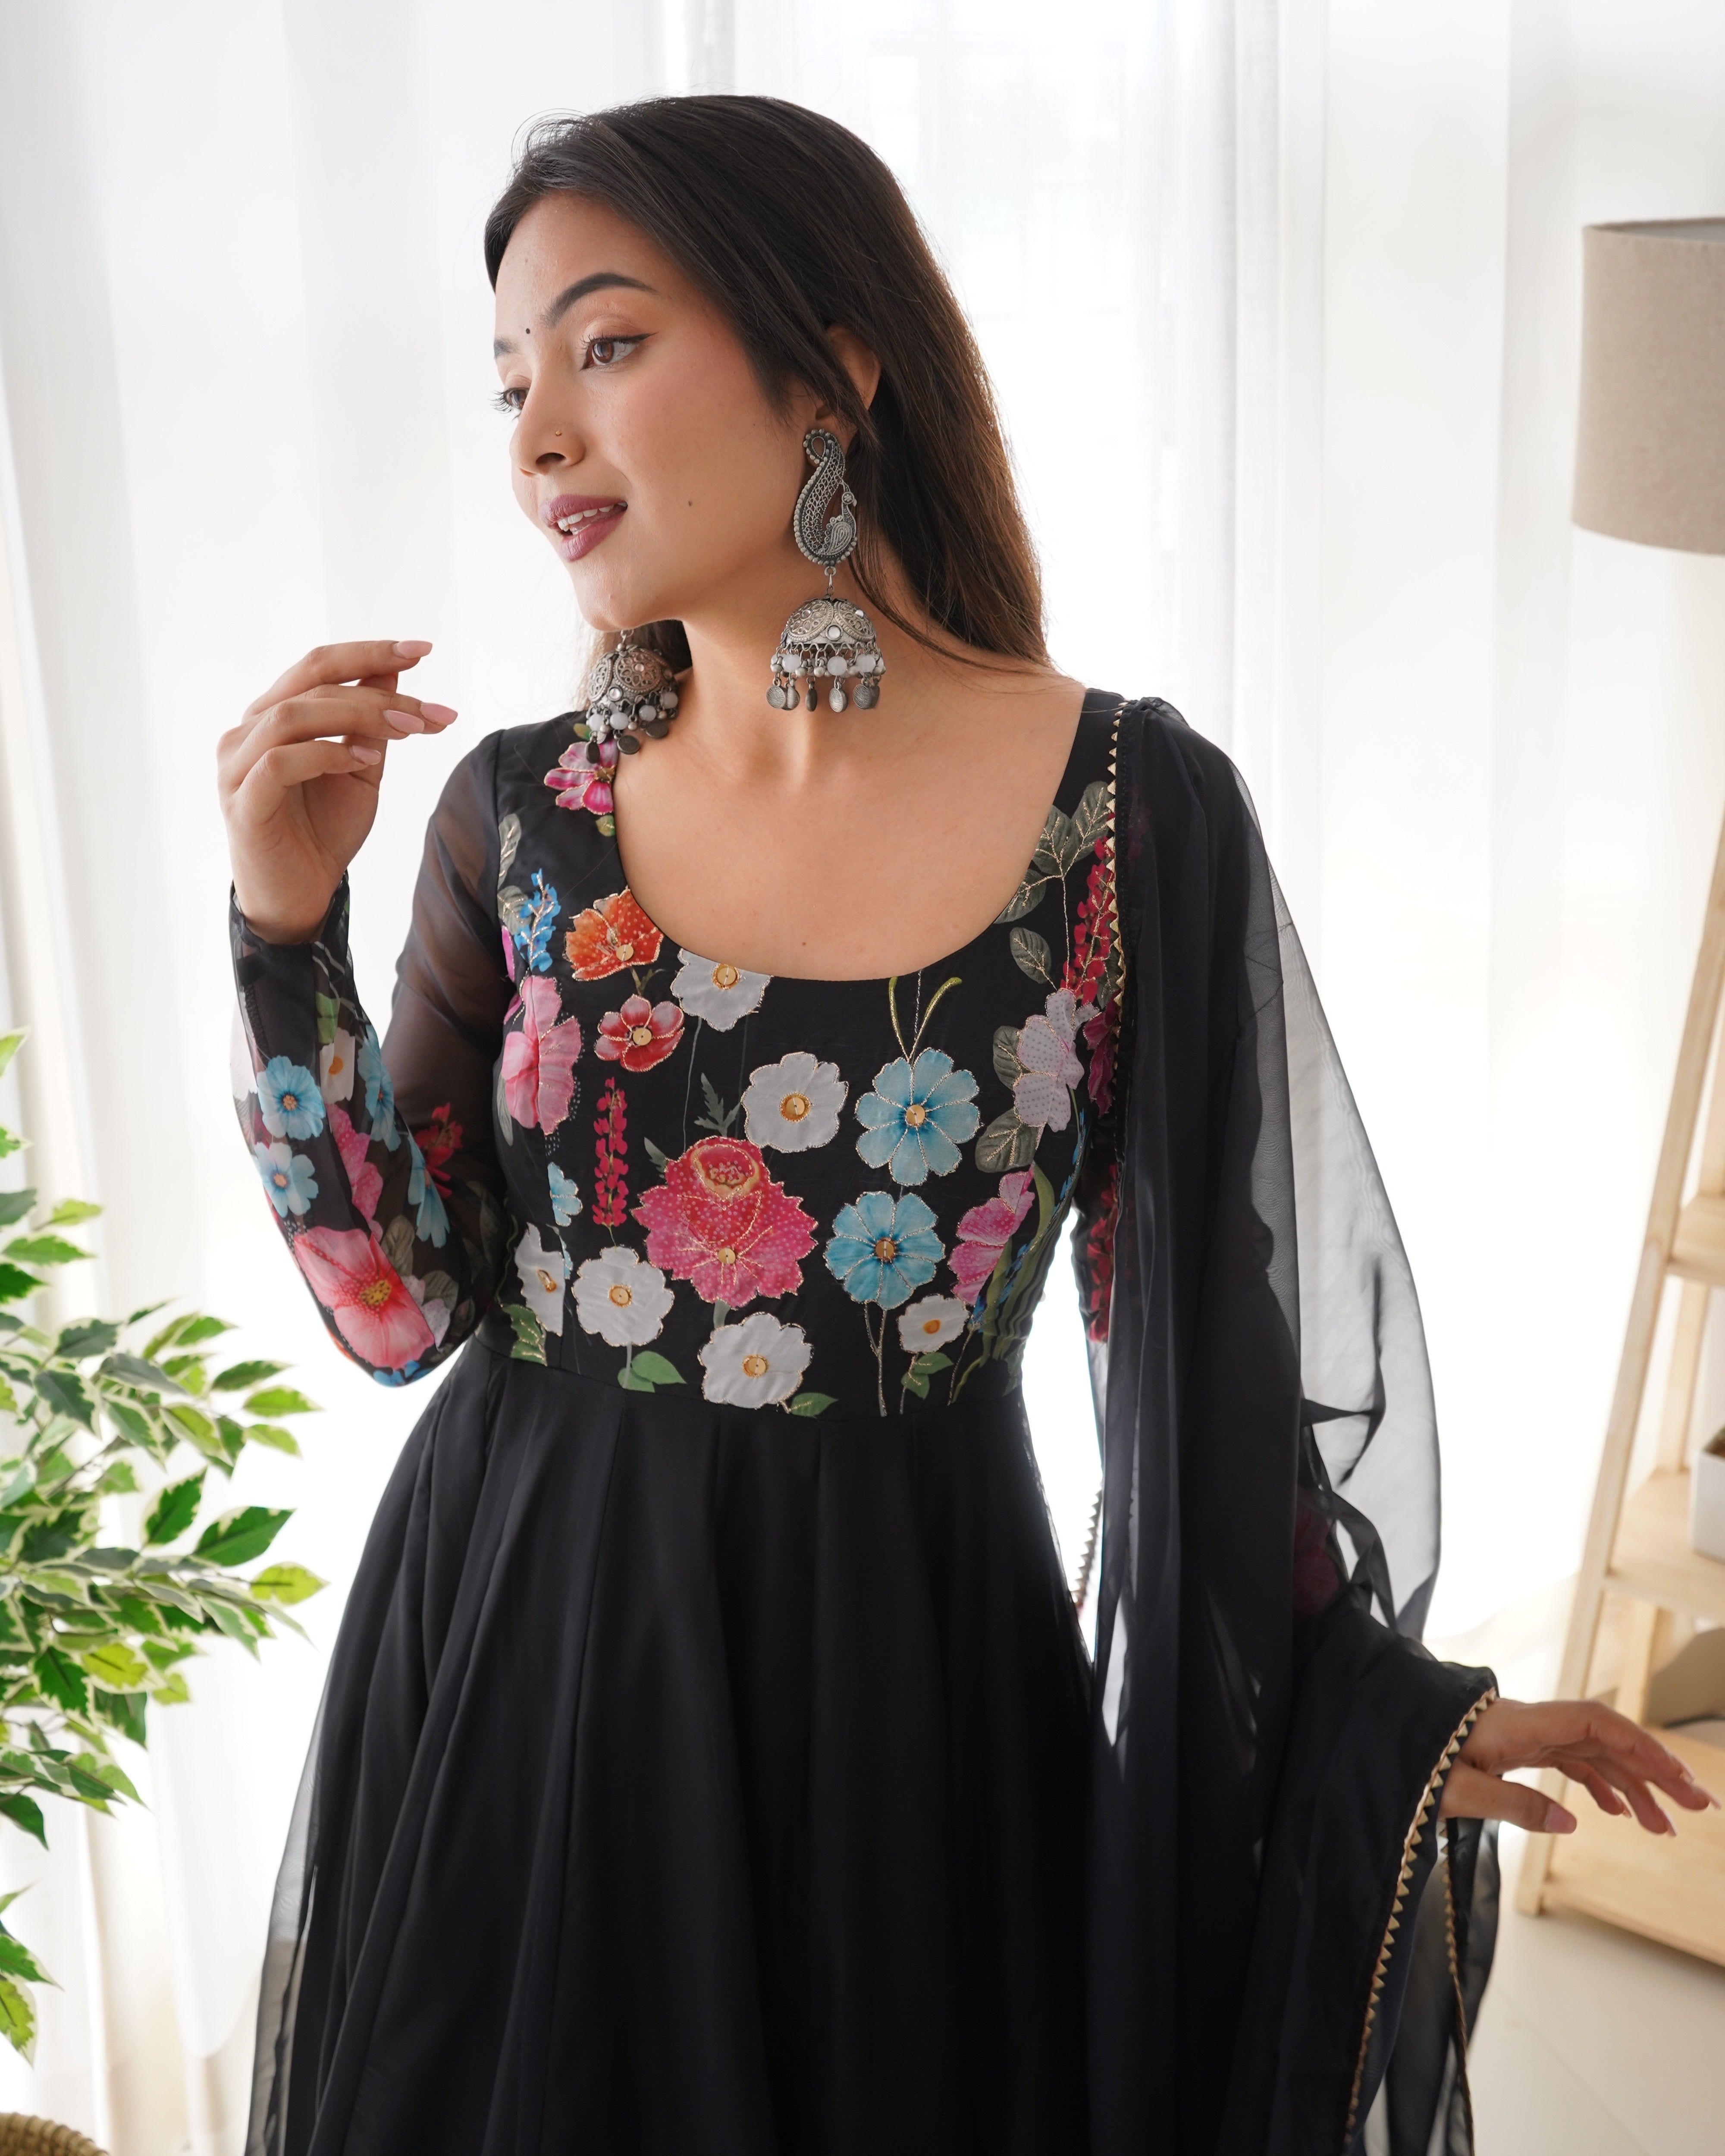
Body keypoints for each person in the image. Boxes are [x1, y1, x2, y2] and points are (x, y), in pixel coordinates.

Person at [217, 96, 1711, 2156]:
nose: (539, 433)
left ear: (834, 360)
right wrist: (278, 927)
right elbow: (398, 1311)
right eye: (510, 381)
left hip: (905, 1697)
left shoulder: (1121, 818)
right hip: (529, 1666)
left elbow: (1204, 1353)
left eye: (607, 344)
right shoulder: (521, 815)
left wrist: (1376, 1706)